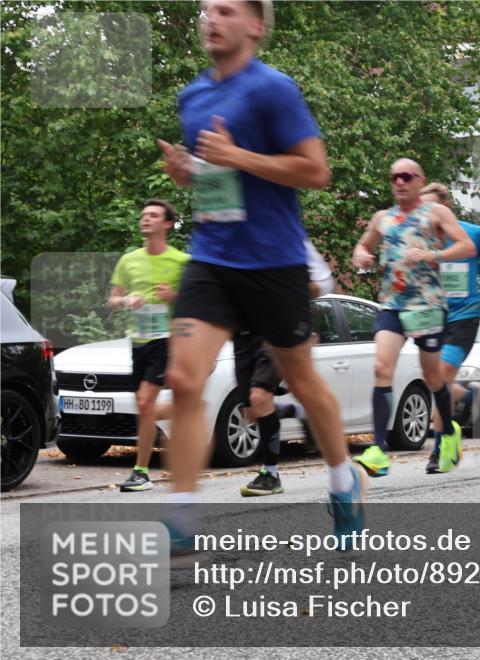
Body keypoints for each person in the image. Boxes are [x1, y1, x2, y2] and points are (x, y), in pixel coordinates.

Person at [157, 0, 362, 556]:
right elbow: (218, 179)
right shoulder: (192, 95)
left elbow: (316, 171)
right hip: (213, 258)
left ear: (255, 25)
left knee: (303, 381)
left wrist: (237, 155)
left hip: (274, 261)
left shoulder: (274, 89)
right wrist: (189, 173)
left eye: (224, 9)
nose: (210, 18)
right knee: (183, 378)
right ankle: (180, 513)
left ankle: (344, 480)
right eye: (205, 9)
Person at [351, 160, 475, 478]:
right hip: (391, 305)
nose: (399, 182)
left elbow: (466, 246)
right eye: (394, 176)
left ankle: (448, 433)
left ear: (420, 181)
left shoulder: (436, 214)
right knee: (382, 367)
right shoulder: (382, 218)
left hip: (427, 306)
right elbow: (363, 245)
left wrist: (433, 255)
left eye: (406, 176)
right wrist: (361, 255)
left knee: (432, 377)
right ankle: (377, 450)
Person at [418, 183, 480, 474]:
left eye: (431, 208)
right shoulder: (417, 238)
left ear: (446, 208)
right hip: (432, 316)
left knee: (441, 379)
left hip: (464, 316)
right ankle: (469, 396)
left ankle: (439, 448)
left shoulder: (474, 234)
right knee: (437, 383)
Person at [238, 240, 333, 496]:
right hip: (243, 336)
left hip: (275, 331)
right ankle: (297, 411)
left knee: (259, 397)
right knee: (251, 410)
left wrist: (290, 293)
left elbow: (323, 282)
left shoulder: (286, 236)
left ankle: (271, 474)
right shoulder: (228, 240)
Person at [107, 199, 190, 492]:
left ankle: (140, 471)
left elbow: (197, 302)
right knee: (145, 408)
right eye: (143, 215)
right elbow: (113, 300)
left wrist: (173, 296)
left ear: (167, 224)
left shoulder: (181, 261)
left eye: (153, 215)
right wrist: (126, 300)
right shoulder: (129, 260)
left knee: (144, 402)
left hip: (167, 340)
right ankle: (186, 408)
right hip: (139, 340)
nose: (145, 219)